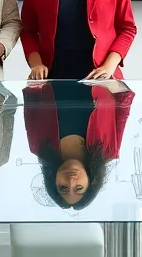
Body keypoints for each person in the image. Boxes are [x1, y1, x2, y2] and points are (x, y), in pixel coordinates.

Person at [23, 80, 133, 209]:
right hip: (99, 67)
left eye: (63, 188)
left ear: (53, 181)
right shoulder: (108, 151)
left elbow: (32, 96)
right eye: (79, 187)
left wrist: (39, 78)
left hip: (54, 69)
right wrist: (105, 80)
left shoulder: (40, 147)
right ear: (90, 182)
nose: (71, 180)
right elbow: (123, 100)